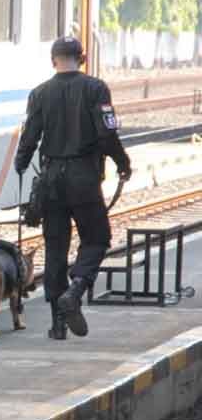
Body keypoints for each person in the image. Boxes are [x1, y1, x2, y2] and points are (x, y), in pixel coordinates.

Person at [14, 36, 132, 340]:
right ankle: (76, 290)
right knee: (97, 238)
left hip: (51, 180)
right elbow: (107, 133)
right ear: (82, 58)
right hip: (83, 178)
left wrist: (21, 163)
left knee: (56, 248)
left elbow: (29, 138)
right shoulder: (96, 88)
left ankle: (57, 325)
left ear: (53, 60)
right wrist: (122, 162)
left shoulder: (39, 93)